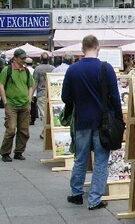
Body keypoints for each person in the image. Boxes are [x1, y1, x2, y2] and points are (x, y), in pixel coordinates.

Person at [62, 35, 122, 210]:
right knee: (101, 161)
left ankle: (76, 194)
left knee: (80, 159)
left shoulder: (72, 70)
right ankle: (94, 199)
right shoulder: (106, 68)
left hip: (81, 120)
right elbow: (115, 97)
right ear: (98, 47)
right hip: (103, 123)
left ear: (82, 49)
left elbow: (66, 97)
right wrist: (119, 118)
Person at [0, 49, 34, 162]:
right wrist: (5, 101)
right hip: (11, 104)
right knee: (11, 130)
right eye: (22, 58)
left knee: (24, 131)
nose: (24, 60)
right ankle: (5, 153)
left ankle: (18, 152)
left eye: (25, 58)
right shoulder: (7, 70)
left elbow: (30, 86)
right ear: (15, 58)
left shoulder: (26, 71)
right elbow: (1, 85)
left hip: (24, 104)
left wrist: (29, 100)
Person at [33, 51, 55, 139]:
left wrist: (31, 95)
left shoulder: (37, 69)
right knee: (50, 114)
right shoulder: (53, 68)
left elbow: (35, 82)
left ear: (41, 59)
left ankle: (45, 132)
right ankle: (45, 132)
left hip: (41, 94)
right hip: (52, 93)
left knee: (44, 115)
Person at [25, 58, 38, 125]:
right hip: (34, 92)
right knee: (33, 106)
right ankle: (33, 119)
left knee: (26, 106)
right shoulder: (34, 70)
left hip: (27, 91)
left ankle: (27, 119)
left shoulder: (24, 70)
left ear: (25, 63)